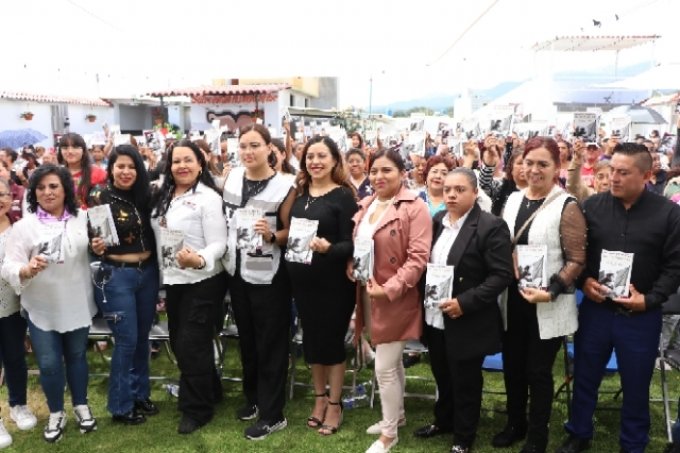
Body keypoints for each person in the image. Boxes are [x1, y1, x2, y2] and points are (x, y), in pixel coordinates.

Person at [556, 143, 680, 453]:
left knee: (636, 383)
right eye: (612, 170)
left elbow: (675, 266)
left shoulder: (669, 214)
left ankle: (633, 443)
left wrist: (649, 299)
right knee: (585, 374)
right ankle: (579, 433)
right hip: (597, 310)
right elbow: (577, 254)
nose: (613, 178)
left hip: (640, 316)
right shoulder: (592, 207)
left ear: (647, 176)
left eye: (623, 173)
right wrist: (584, 281)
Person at [494, 137, 586, 453]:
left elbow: (577, 259)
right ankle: (515, 423)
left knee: (538, 371)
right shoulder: (513, 200)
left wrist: (553, 290)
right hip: (514, 298)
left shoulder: (566, 205)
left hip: (548, 303)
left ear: (557, 167)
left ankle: (537, 436)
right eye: (529, 162)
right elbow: (503, 241)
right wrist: (507, 257)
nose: (534, 170)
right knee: (512, 366)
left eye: (543, 164)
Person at [414, 168, 513, 453]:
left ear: (475, 192)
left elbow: (501, 275)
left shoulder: (490, 225)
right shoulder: (437, 221)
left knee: (465, 380)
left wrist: (465, 303)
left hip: (467, 318)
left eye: (460, 190)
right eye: (447, 190)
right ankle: (443, 420)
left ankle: (463, 436)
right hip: (435, 314)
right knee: (442, 373)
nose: (452, 195)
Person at [1, 165, 98, 443]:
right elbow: (9, 265)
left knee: (77, 356)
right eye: (41, 188)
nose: (47, 192)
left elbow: (96, 248)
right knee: (49, 362)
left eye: (53, 186)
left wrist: (99, 247)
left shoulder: (83, 219)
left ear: (66, 189)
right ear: (33, 193)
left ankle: (81, 405)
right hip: (41, 306)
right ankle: (56, 411)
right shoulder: (25, 226)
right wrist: (26, 269)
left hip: (77, 301)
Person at [349, 148, 432, 453]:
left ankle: (389, 433)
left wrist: (390, 288)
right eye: (374, 171)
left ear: (402, 173)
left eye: (386, 170)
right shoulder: (367, 203)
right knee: (392, 362)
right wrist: (353, 266)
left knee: (383, 366)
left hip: (397, 296)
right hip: (368, 292)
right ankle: (397, 416)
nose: (378, 176)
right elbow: (360, 246)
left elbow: (418, 257)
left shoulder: (415, 207)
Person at [222, 124, 296, 440]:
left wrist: (273, 235)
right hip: (237, 272)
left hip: (270, 276)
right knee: (248, 341)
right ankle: (253, 399)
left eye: (255, 145)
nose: (248, 152)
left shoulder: (286, 186)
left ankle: (273, 414)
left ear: (269, 148)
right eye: (243, 146)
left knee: (271, 345)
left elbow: (293, 232)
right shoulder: (232, 177)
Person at [150, 140, 228, 434]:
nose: (181, 166)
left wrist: (200, 258)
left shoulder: (209, 198)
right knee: (180, 341)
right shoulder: (164, 195)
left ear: (200, 164)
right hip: (174, 280)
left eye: (188, 160)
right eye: (176, 161)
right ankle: (211, 390)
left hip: (202, 280)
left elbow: (219, 243)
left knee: (191, 343)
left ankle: (196, 410)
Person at [285, 136, 358, 436]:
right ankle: (319, 399)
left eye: (321, 156)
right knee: (312, 343)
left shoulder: (343, 196)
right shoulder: (300, 193)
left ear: (334, 160)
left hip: (334, 284)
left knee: (331, 344)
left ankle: (335, 403)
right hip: (302, 282)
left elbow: (351, 244)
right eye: (310, 156)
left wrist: (329, 248)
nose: (315, 161)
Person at [87, 145, 160, 425]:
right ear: (111, 168)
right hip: (117, 276)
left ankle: (140, 394)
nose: (126, 171)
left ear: (139, 169)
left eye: (131, 166)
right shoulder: (100, 196)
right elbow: (96, 239)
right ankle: (120, 405)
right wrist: (95, 244)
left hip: (148, 274)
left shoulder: (148, 195)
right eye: (120, 166)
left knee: (142, 338)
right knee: (127, 340)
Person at [0, 178, 37, 449]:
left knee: (15, 358)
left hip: (12, 306)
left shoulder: (19, 230)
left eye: (2, 194)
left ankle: (18, 405)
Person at [57, 133, 107, 208]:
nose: (70, 151)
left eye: (75, 147)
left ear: (83, 150)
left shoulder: (99, 173)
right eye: (65, 147)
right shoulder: (56, 175)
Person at [479, 149, 527, 216]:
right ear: (511, 168)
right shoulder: (501, 186)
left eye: (528, 163)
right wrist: (489, 166)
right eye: (520, 163)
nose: (524, 167)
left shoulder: (539, 192)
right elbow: (485, 187)